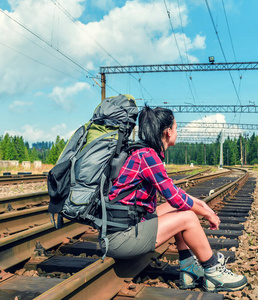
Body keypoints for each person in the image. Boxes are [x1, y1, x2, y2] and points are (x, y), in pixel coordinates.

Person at [100, 104, 247, 292]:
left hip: (121, 229)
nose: (177, 131)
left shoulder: (142, 153)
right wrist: (206, 214)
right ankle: (213, 271)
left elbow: (177, 195)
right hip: (120, 239)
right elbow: (176, 199)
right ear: (168, 131)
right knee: (188, 217)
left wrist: (203, 206)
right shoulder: (148, 156)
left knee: (181, 210)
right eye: (176, 128)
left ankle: (188, 269)